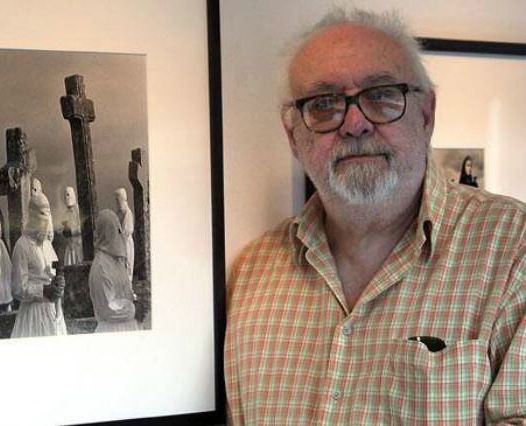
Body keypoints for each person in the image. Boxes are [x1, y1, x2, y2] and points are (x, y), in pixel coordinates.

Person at [225, 8, 526, 424]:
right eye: (324, 104)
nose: (354, 124)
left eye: (382, 95)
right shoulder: (251, 275)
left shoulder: (514, 251)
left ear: (426, 115)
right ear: (293, 136)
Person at [9, 193, 67, 338]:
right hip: (33, 315)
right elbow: (17, 289)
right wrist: (42, 290)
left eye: (48, 213)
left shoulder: (47, 244)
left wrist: (59, 284)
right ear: (32, 214)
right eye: (42, 213)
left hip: (53, 311)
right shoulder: (22, 246)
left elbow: (54, 274)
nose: (46, 219)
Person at [88, 209, 138, 333]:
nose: (119, 234)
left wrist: (133, 299)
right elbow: (109, 309)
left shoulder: (115, 261)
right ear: (108, 232)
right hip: (112, 330)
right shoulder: (101, 267)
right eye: (116, 230)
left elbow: (125, 292)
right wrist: (133, 308)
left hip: (126, 327)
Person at [114, 187, 134, 282]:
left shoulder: (127, 213)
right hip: (119, 245)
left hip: (126, 244)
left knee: (127, 266)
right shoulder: (118, 213)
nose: (117, 203)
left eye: (118, 200)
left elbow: (127, 230)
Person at [61, 186, 83, 265]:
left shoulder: (78, 210)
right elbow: (63, 226)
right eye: (66, 195)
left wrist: (72, 231)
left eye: (69, 195)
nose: (67, 197)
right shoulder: (66, 213)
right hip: (70, 247)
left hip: (78, 246)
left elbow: (82, 227)